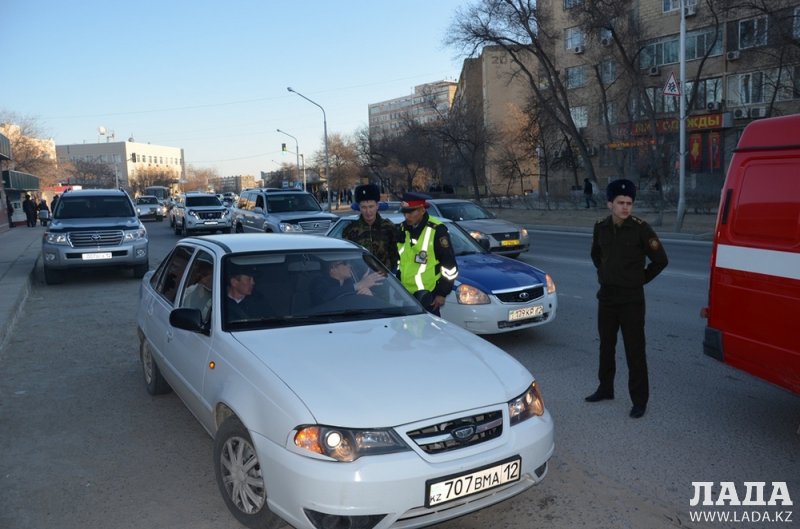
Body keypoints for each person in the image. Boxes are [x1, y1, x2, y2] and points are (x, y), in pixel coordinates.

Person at [585, 179, 668, 419]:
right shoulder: (600, 227)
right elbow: (596, 255)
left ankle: (639, 400)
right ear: (610, 203)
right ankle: (605, 388)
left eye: (629, 203)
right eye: (620, 203)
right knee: (606, 346)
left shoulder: (641, 229)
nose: (625, 207)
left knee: (635, 351)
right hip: (607, 297)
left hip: (631, 300)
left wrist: (639, 279)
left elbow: (660, 260)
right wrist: (604, 273)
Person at [397, 192, 458, 316]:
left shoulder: (437, 230)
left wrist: (442, 293)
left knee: (428, 334)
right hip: (405, 295)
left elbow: (449, 265)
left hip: (428, 297)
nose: (406, 216)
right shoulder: (403, 228)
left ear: (422, 210)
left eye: (410, 212)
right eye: (404, 212)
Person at [342, 184, 400, 271]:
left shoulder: (389, 227)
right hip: (360, 279)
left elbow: (396, 255)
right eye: (364, 207)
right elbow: (347, 259)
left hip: (386, 279)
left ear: (377, 206)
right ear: (359, 208)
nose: (368, 211)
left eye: (371, 207)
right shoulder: (350, 230)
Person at [313, 259, 384, 303]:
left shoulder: (351, 281)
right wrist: (358, 285)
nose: (349, 265)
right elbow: (325, 296)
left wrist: (370, 295)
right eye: (345, 263)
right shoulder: (319, 282)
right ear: (333, 268)